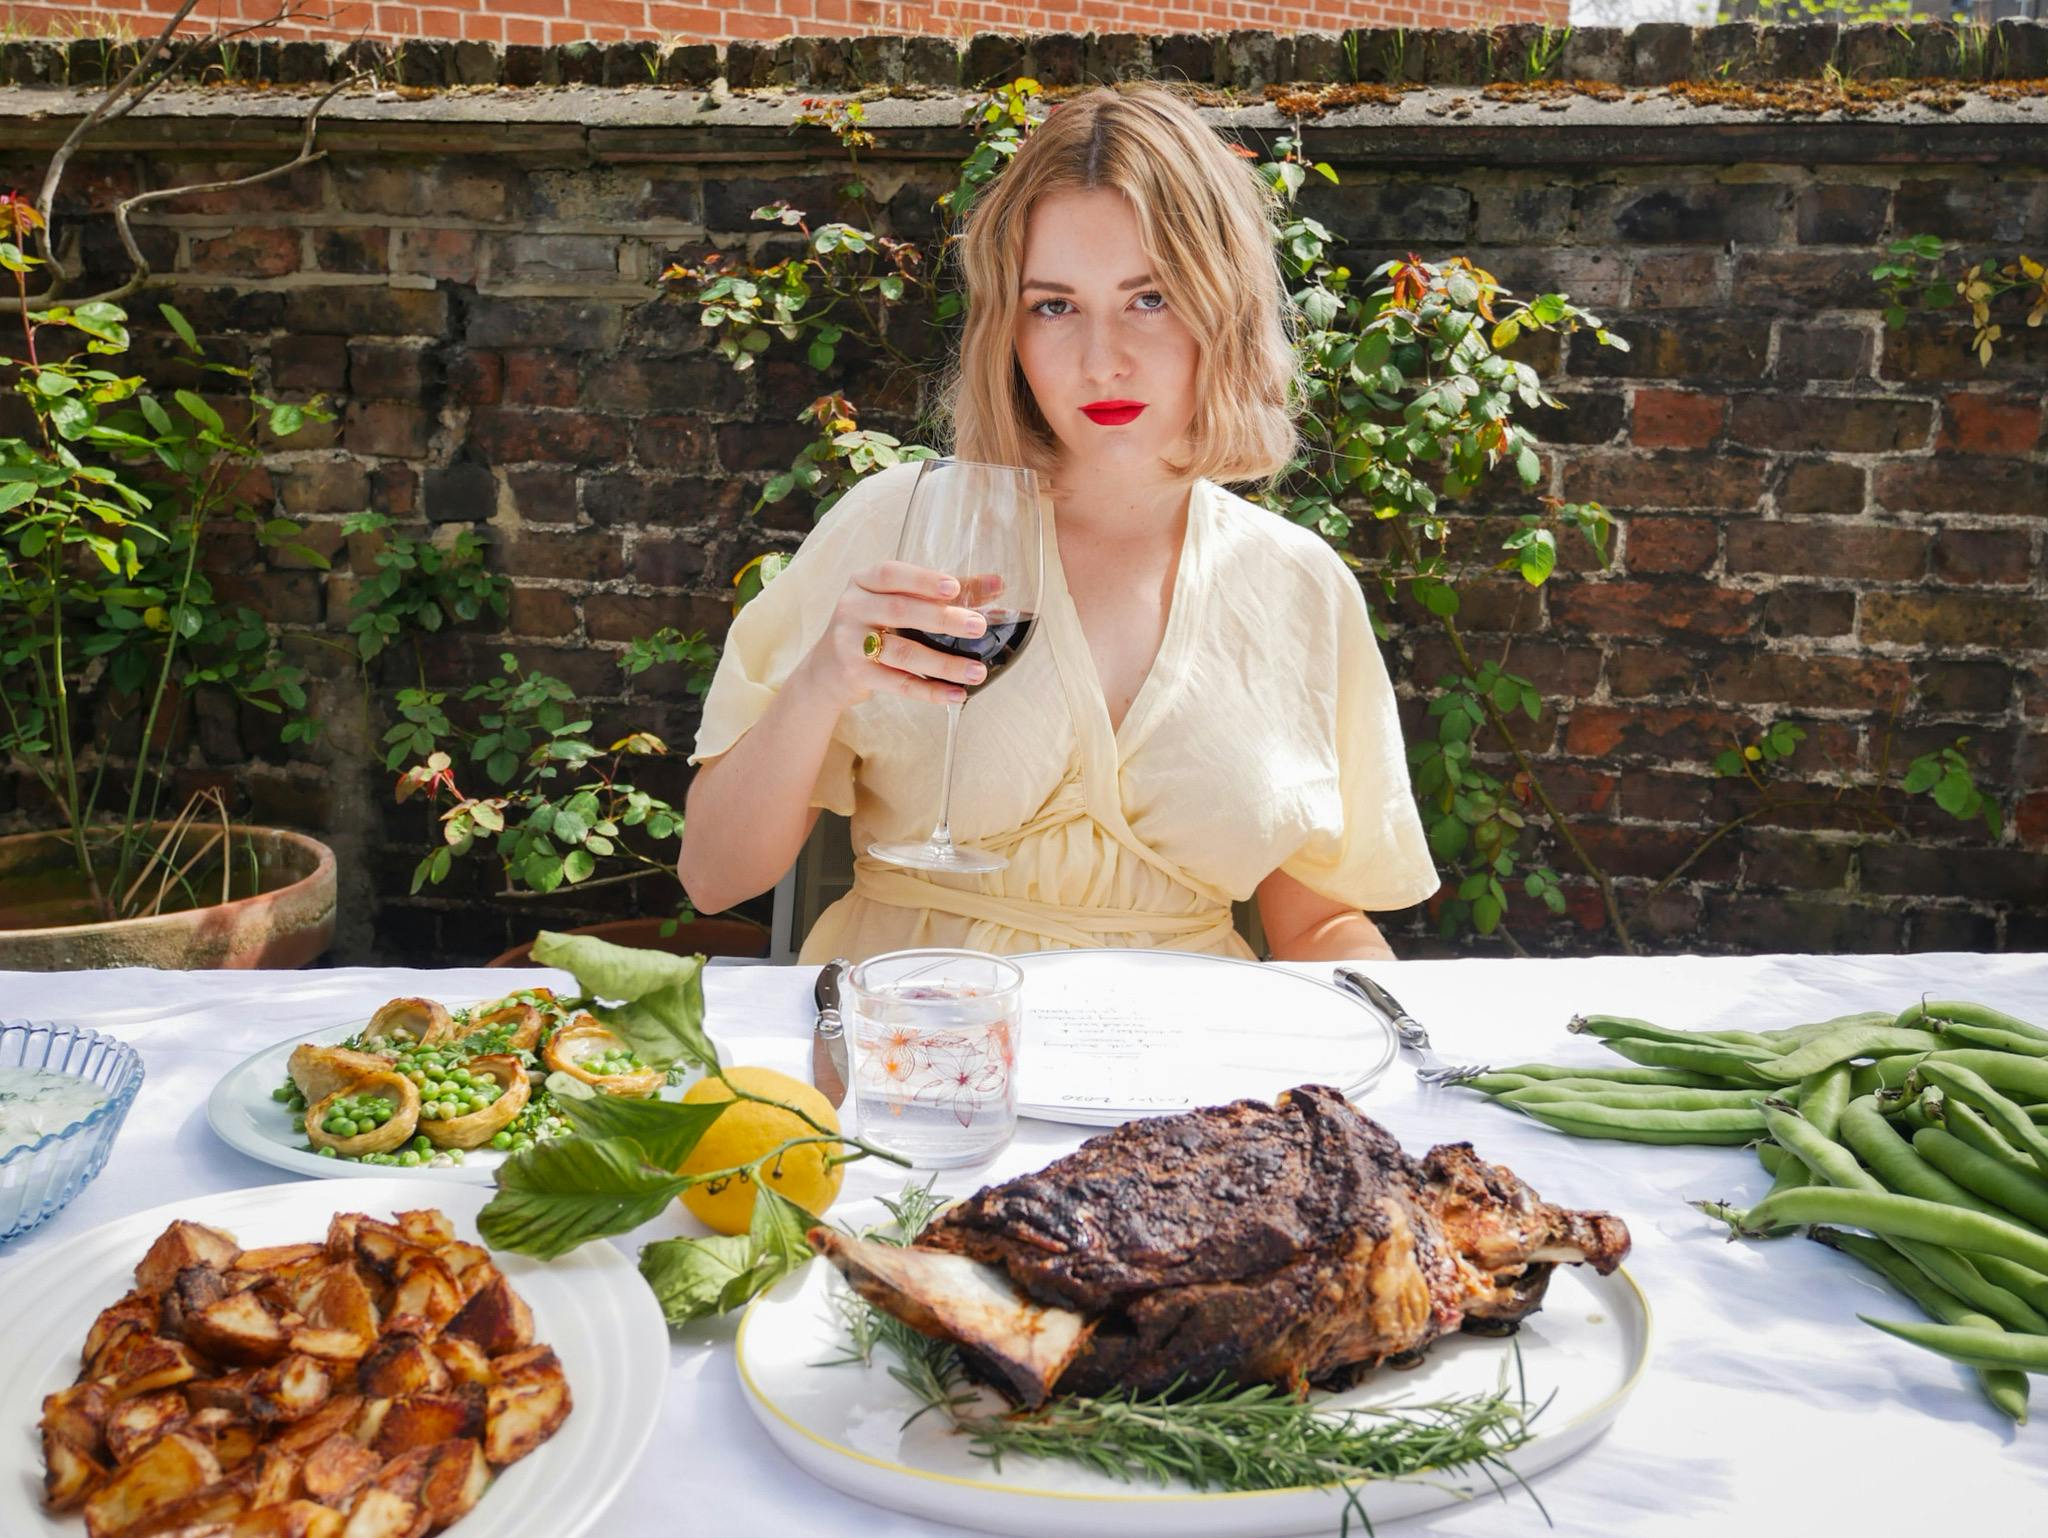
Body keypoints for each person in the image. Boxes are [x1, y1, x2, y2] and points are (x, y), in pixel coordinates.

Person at [677, 83, 1438, 964]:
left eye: (1149, 298)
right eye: (1054, 305)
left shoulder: (1298, 584)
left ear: (1222, 310)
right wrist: (819, 684)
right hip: (914, 1056)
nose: (1100, 358)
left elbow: (1321, 925)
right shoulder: (900, 525)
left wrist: (1397, 1060)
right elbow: (713, 876)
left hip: (1184, 1077)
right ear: (1010, 328)